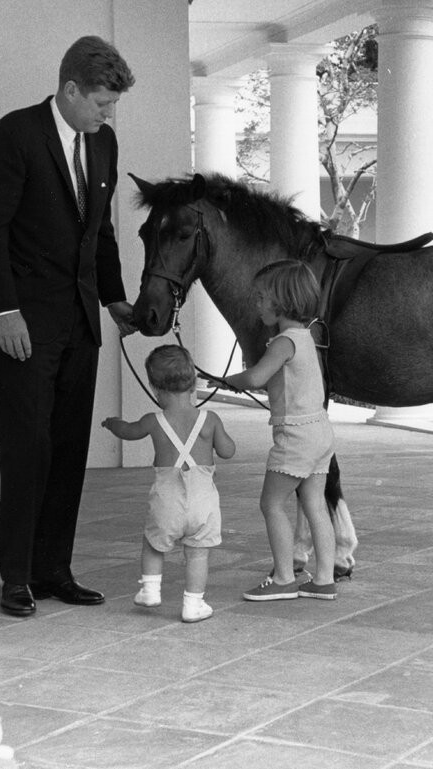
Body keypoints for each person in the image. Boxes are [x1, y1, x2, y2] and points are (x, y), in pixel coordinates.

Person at [0, 36, 137, 617]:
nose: (108, 115)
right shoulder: (14, 136)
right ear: (70, 90)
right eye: (101, 103)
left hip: (80, 323)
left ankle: (53, 570)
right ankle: (15, 576)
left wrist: (115, 299)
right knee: (27, 446)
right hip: (24, 323)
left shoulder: (104, 144)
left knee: (68, 447)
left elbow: (101, 229)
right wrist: (3, 310)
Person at [209, 259, 339, 601]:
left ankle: (283, 578)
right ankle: (324, 578)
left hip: (296, 435)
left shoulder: (284, 341)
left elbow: (255, 378)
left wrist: (221, 380)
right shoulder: (306, 337)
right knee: (313, 502)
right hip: (319, 432)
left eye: (261, 297)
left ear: (282, 300)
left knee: (271, 504)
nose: (256, 303)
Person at [101, 345, 235, 622]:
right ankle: (193, 604)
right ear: (192, 383)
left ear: (155, 388)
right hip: (203, 503)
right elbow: (227, 451)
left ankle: (150, 590)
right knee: (198, 554)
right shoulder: (210, 419)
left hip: (166, 501)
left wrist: (113, 423)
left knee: (153, 543)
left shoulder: (153, 421)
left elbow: (128, 431)